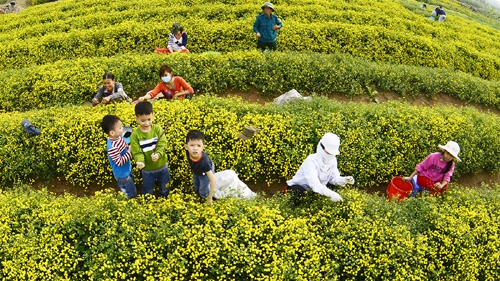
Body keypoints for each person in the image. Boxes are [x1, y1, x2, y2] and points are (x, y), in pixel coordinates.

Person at [285, 133, 355, 202]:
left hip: (316, 189)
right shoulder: (311, 161)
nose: (330, 155)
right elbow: (314, 183)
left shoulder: (333, 160)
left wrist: (344, 180)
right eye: (328, 152)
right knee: (299, 193)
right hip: (300, 187)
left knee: (331, 188)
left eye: (332, 153)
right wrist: (330, 194)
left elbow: (333, 178)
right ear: (322, 147)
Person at [130, 101, 171, 197]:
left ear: (153, 115)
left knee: (165, 186)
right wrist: (140, 161)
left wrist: (158, 154)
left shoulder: (157, 129)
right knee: (148, 188)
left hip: (162, 166)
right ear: (137, 119)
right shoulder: (135, 135)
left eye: (149, 119)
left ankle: (165, 199)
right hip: (147, 170)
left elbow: (162, 144)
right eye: (142, 120)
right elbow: (137, 152)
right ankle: (147, 202)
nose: (146, 123)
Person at [100, 115, 137, 199]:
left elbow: (124, 145)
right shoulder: (112, 147)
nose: (122, 129)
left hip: (127, 169)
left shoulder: (118, 137)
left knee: (131, 186)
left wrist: (128, 147)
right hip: (122, 175)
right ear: (112, 132)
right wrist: (129, 151)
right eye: (120, 128)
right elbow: (120, 162)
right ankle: (130, 203)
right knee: (129, 193)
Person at [185, 130, 216, 204]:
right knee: (196, 184)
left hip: (205, 173)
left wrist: (210, 197)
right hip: (197, 170)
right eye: (192, 145)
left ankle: (204, 199)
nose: (195, 148)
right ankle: (197, 196)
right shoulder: (189, 153)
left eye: (198, 146)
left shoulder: (204, 163)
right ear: (186, 147)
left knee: (203, 190)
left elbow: (213, 181)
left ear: (203, 148)